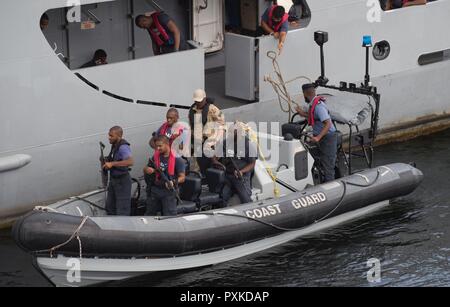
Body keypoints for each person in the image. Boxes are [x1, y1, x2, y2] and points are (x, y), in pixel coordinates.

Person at [295, 84, 338, 183]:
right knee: (314, 158)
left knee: (328, 167)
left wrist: (318, 137)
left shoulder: (319, 106)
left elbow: (328, 123)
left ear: (305, 94)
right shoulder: (313, 104)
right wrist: (302, 114)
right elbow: (314, 117)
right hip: (321, 137)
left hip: (328, 137)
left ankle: (330, 189)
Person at [214, 124, 257, 206]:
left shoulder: (248, 145)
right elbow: (214, 157)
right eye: (228, 132)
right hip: (227, 176)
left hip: (241, 176)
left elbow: (252, 163)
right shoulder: (225, 143)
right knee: (222, 197)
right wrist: (217, 164)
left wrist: (241, 171)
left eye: (231, 132)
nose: (228, 134)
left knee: (245, 198)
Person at [144, 135, 186, 216]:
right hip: (155, 190)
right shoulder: (156, 157)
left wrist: (173, 182)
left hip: (168, 192)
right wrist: (147, 169)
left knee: (169, 215)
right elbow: (146, 167)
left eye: (160, 146)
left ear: (167, 144)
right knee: (149, 213)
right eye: (157, 146)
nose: (158, 148)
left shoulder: (177, 159)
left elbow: (182, 177)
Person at [188, 89, 226, 176]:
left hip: (210, 140)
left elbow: (222, 123)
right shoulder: (192, 110)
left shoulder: (212, 109)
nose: (198, 103)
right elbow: (191, 125)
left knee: (211, 159)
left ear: (205, 99)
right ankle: (196, 179)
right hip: (197, 141)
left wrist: (215, 138)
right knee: (195, 165)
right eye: (196, 101)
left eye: (200, 101)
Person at [103, 126, 134, 216]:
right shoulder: (114, 146)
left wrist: (112, 164)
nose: (109, 137)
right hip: (114, 181)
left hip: (122, 182)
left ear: (118, 136)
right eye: (109, 135)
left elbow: (130, 161)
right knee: (110, 206)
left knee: (122, 209)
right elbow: (114, 158)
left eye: (111, 136)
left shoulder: (123, 147)